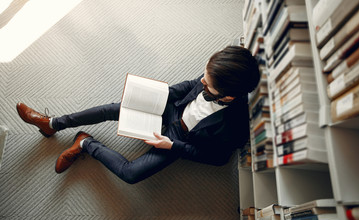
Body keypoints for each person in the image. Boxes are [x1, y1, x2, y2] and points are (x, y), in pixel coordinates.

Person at [16, 46, 260, 184]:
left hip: (181, 138)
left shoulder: (236, 126)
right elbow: (189, 86)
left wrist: (172, 145)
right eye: (204, 75)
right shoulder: (218, 73)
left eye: (208, 85)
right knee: (114, 108)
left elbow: (218, 159)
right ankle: (53, 124)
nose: (202, 81)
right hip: (172, 108)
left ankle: (85, 143)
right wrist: (157, 94)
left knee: (131, 174)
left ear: (227, 96)